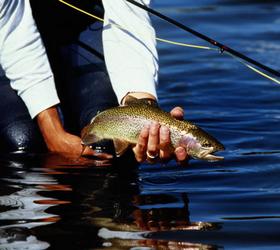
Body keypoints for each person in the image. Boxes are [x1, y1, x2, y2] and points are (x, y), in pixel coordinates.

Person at [0, 0, 188, 163]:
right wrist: (53, 131)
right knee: (21, 140)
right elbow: (13, 31)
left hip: (81, 27)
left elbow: (129, 20)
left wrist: (144, 109)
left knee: (105, 144)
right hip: (5, 34)